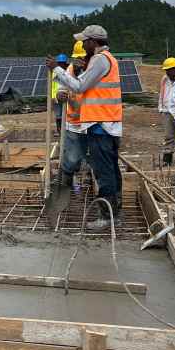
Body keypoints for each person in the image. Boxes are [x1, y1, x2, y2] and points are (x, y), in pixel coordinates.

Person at [47, 25, 123, 229]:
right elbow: (74, 86)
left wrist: (56, 69)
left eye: (85, 41)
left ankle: (108, 216)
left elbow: (79, 86)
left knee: (104, 172)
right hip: (103, 124)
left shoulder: (100, 60)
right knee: (110, 169)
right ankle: (114, 212)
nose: (83, 45)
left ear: (93, 42)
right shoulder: (104, 60)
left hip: (101, 125)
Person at [57, 41, 89, 187]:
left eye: (83, 58)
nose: (80, 61)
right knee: (72, 158)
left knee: (92, 158)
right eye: (78, 58)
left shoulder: (95, 70)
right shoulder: (69, 70)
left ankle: (89, 182)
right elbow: (61, 89)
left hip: (93, 122)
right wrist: (60, 95)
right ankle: (66, 184)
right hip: (74, 122)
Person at [51, 54, 70, 134]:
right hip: (56, 97)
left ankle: (66, 130)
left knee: (66, 114)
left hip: (67, 96)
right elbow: (52, 86)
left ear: (66, 63)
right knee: (58, 115)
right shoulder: (54, 73)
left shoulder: (69, 71)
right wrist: (53, 97)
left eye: (63, 63)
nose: (61, 64)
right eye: (60, 63)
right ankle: (59, 131)